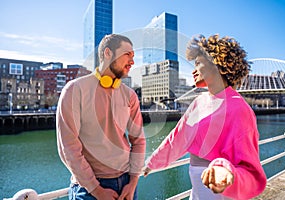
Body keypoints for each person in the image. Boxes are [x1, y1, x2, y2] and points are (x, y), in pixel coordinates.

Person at [143, 34, 267, 200]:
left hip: (223, 193)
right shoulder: (198, 102)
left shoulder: (239, 109)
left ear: (217, 64)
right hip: (197, 192)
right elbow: (177, 138)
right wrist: (151, 163)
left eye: (198, 63)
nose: (193, 71)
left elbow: (250, 171)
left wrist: (225, 170)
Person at [56, 34, 146, 200]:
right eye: (128, 54)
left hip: (127, 185)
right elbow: (68, 148)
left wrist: (133, 182)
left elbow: (139, 141)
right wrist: (96, 190)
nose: (133, 62)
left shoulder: (130, 95)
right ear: (107, 53)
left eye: (133, 56)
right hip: (88, 190)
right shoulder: (74, 90)